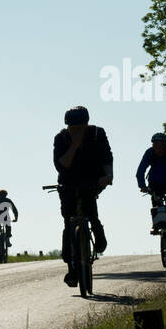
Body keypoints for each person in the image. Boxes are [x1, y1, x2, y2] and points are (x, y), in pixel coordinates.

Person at [53, 106, 113, 286]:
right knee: (68, 222)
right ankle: (71, 267)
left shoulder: (97, 133)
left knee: (91, 212)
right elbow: (60, 165)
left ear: (86, 124)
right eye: (72, 127)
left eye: (79, 127)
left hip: (92, 180)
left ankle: (98, 233)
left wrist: (108, 176)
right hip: (68, 183)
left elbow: (107, 157)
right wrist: (74, 145)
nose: (75, 130)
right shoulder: (61, 138)